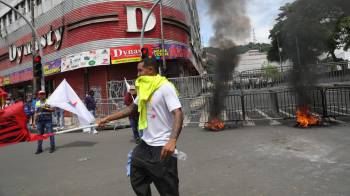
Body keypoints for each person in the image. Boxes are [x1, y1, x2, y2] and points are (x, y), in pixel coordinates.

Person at [98, 57, 184, 196]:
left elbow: (178, 113)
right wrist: (108, 118)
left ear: (150, 70)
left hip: (162, 147)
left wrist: (172, 141)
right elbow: (132, 108)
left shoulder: (164, 87)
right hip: (145, 144)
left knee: (168, 189)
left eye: (140, 70)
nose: (137, 74)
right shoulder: (145, 89)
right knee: (136, 176)